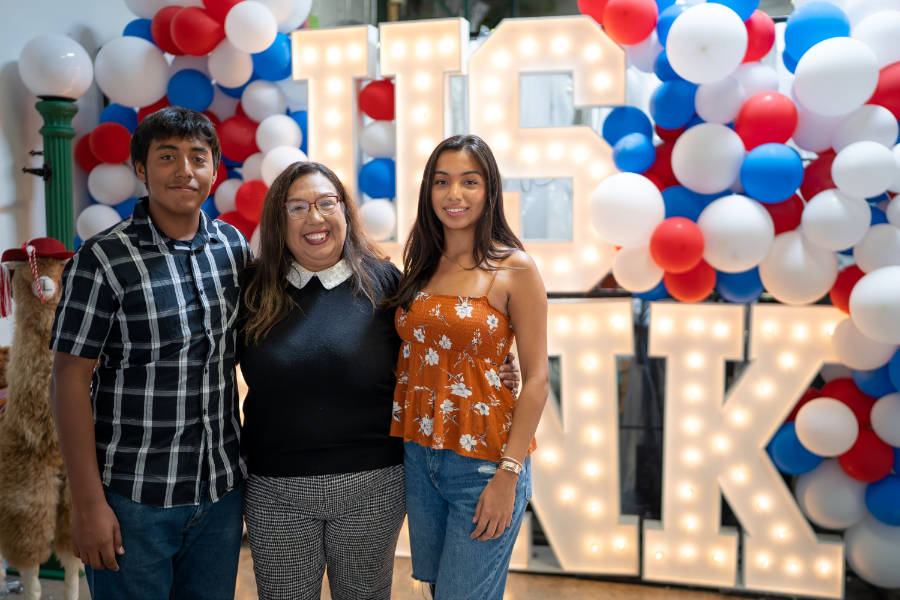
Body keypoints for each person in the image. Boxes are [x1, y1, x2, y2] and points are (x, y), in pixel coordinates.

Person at [238, 161, 521, 600]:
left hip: (372, 486)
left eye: (326, 203)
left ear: (346, 213)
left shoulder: (386, 282)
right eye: (297, 208)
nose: (314, 217)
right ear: (279, 221)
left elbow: (432, 347)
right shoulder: (251, 290)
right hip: (276, 490)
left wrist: (496, 366)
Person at [49, 107, 250, 600]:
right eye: (167, 157)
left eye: (197, 157)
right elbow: (67, 380)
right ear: (140, 169)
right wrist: (86, 503)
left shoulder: (233, 247)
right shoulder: (102, 260)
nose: (184, 170)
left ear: (215, 168)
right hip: (132, 501)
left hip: (219, 495)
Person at [386, 134, 549, 599]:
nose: (453, 194)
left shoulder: (514, 268)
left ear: (489, 191)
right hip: (419, 457)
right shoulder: (420, 262)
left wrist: (508, 474)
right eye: (441, 182)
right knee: (440, 591)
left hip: (485, 465)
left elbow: (536, 380)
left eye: (468, 182)